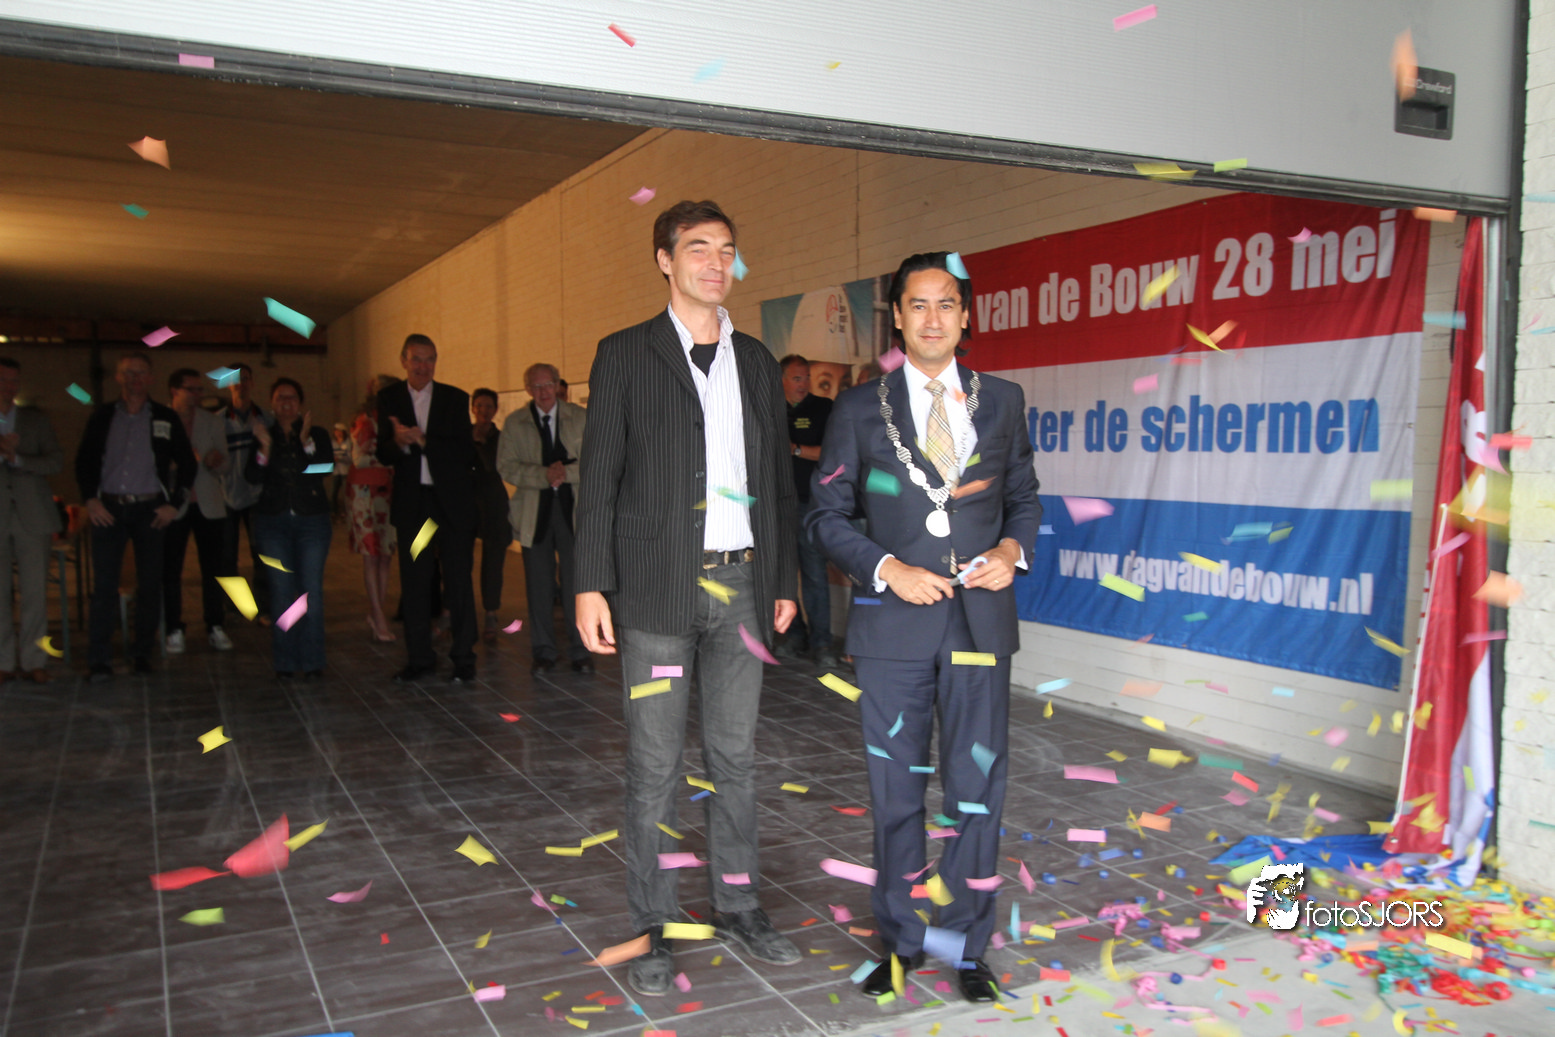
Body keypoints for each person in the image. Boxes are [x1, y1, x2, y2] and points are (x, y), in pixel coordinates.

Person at [575, 200, 801, 996]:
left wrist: (783, 579)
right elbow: (598, 479)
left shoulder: (757, 361)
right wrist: (588, 583)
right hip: (655, 593)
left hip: (742, 587)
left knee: (736, 757)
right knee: (655, 764)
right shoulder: (624, 354)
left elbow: (779, 482)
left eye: (726, 249)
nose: (715, 261)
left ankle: (738, 906)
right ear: (664, 260)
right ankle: (654, 922)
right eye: (697, 247)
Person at [807, 252, 1042, 1003]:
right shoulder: (857, 408)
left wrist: (1010, 550)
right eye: (918, 304)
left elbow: (1024, 497)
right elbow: (825, 515)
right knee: (896, 790)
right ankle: (901, 940)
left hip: (980, 623)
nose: (933, 318)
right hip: (892, 629)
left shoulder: (1003, 400)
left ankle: (967, 944)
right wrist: (885, 568)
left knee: (977, 789)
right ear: (898, 319)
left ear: (965, 316)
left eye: (946, 304)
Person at [76, 352, 195, 680]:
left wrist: (175, 504)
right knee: (104, 587)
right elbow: (85, 460)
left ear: (151, 378)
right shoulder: (102, 416)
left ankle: (142, 653)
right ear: (118, 377)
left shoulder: (164, 417)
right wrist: (90, 499)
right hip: (108, 509)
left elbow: (188, 464)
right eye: (129, 373)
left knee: (150, 585)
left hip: (150, 511)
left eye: (141, 373)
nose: (135, 379)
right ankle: (99, 659)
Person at [376, 334, 478, 683]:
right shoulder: (389, 398)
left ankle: (464, 657)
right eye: (417, 359)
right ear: (403, 361)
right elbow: (382, 452)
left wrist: (423, 441)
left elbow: (464, 452)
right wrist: (398, 443)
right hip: (415, 506)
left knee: (458, 581)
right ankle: (420, 659)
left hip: (450, 505)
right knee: (416, 581)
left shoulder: (454, 398)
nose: (423, 366)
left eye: (430, 359)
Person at [497, 364, 587, 671]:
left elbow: (598, 460)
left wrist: (567, 473)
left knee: (578, 584)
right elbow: (506, 466)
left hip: (574, 514)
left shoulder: (580, 418)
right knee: (539, 586)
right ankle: (544, 650)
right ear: (527, 389)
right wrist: (542, 475)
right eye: (536, 387)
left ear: (558, 385)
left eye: (548, 385)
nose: (543, 392)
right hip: (533, 515)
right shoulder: (515, 423)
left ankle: (580, 650)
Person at [246, 378, 333, 679]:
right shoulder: (263, 434)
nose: (286, 402)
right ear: (271, 403)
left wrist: (306, 443)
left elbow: (325, 468)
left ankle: (312, 660)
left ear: (300, 402)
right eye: (280, 397)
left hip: (312, 521)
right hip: (273, 522)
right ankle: (284, 660)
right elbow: (252, 476)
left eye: (292, 397)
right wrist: (264, 449)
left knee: (310, 592)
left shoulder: (316, 434)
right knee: (282, 592)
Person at [0, 357, 64, 684]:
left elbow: (55, 461)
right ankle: (3, 661)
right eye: (3, 380)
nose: (9, 387)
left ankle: (33, 660)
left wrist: (19, 459)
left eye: (14, 380)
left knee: (35, 592)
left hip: (32, 514)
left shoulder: (35, 420)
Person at [162, 368, 233, 655]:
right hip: (172, 505)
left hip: (207, 502)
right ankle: (173, 628)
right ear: (174, 391)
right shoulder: (160, 419)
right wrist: (171, 466)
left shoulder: (211, 421)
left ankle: (215, 624)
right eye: (191, 389)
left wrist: (216, 461)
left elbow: (226, 463)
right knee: (171, 570)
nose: (197, 395)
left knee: (214, 569)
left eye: (200, 389)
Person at [776, 354, 836, 668]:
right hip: (774, 505)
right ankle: (795, 634)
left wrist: (796, 450)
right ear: (782, 380)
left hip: (808, 502)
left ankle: (822, 643)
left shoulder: (823, 408)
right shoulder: (769, 407)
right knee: (780, 575)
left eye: (806, 378)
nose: (803, 384)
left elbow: (833, 454)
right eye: (797, 378)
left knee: (814, 573)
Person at [219, 363, 271, 622]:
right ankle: (236, 607)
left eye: (245, 378)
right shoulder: (217, 421)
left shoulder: (265, 418)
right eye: (235, 380)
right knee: (227, 556)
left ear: (252, 382)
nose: (240, 384)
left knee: (261, 553)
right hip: (226, 496)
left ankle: (264, 606)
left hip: (257, 496)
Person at [350, 377, 399, 642]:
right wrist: (389, 459)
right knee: (371, 554)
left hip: (388, 492)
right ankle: (378, 615)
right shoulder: (365, 421)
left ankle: (377, 611)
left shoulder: (391, 420)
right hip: (366, 494)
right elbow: (359, 458)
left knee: (385, 555)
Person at [470, 388, 514, 644]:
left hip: (494, 503)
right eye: (479, 406)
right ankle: (452, 608)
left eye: (488, 406)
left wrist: (480, 444)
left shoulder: (501, 438)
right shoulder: (464, 433)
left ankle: (491, 612)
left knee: (493, 561)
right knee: (460, 559)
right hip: (468, 501)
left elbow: (494, 467)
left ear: (495, 410)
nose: (484, 411)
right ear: (473, 408)